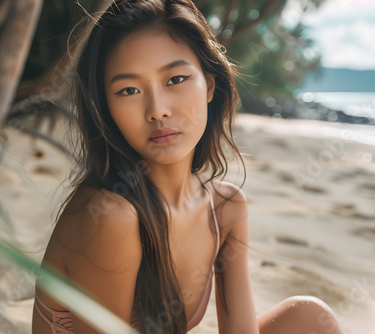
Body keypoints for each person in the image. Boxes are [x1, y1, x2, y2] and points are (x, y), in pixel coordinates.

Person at [32, 0, 345, 333]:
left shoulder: (225, 209)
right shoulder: (110, 216)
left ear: (210, 85)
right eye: (129, 90)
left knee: (310, 317)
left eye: (175, 79)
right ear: (106, 108)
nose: (157, 110)